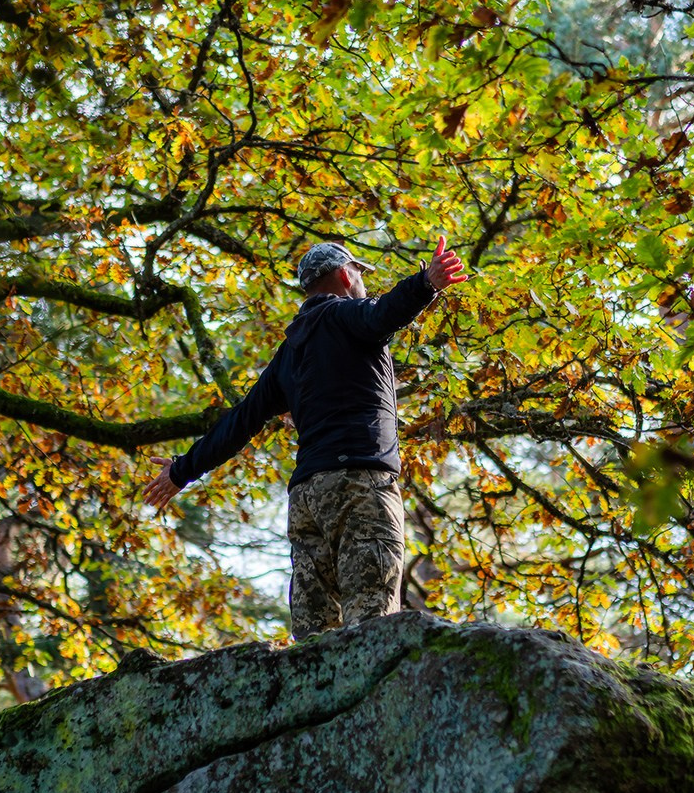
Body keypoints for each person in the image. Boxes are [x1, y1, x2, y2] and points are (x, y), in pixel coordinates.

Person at [143, 236, 467, 638]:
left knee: (314, 637)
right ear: (346, 275)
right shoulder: (346, 315)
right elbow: (384, 312)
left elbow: (240, 421)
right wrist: (426, 283)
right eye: (360, 275)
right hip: (360, 488)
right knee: (372, 628)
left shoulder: (289, 352)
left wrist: (181, 471)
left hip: (308, 499)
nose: (362, 284)